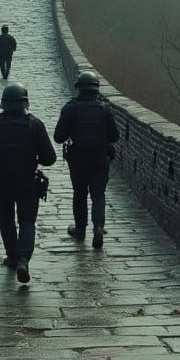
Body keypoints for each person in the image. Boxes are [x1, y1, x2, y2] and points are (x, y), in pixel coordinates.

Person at [0, 83, 56, 283]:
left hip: (2, 183)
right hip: (28, 182)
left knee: (6, 219)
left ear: (3, 103)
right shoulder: (34, 124)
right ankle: (23, 260)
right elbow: (50, 158)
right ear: (25, 103)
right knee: (27, 221)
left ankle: (12, 257)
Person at [53, 71, 119, 249]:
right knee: (98, 194)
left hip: (78, 159)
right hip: (100, 158)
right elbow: (114, 136)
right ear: (96, 89)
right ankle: (98, 227)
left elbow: (58, 137)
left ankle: (80, 230)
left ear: (78, 89)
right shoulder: (105, 109)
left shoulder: (70, 109)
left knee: (80, 194)